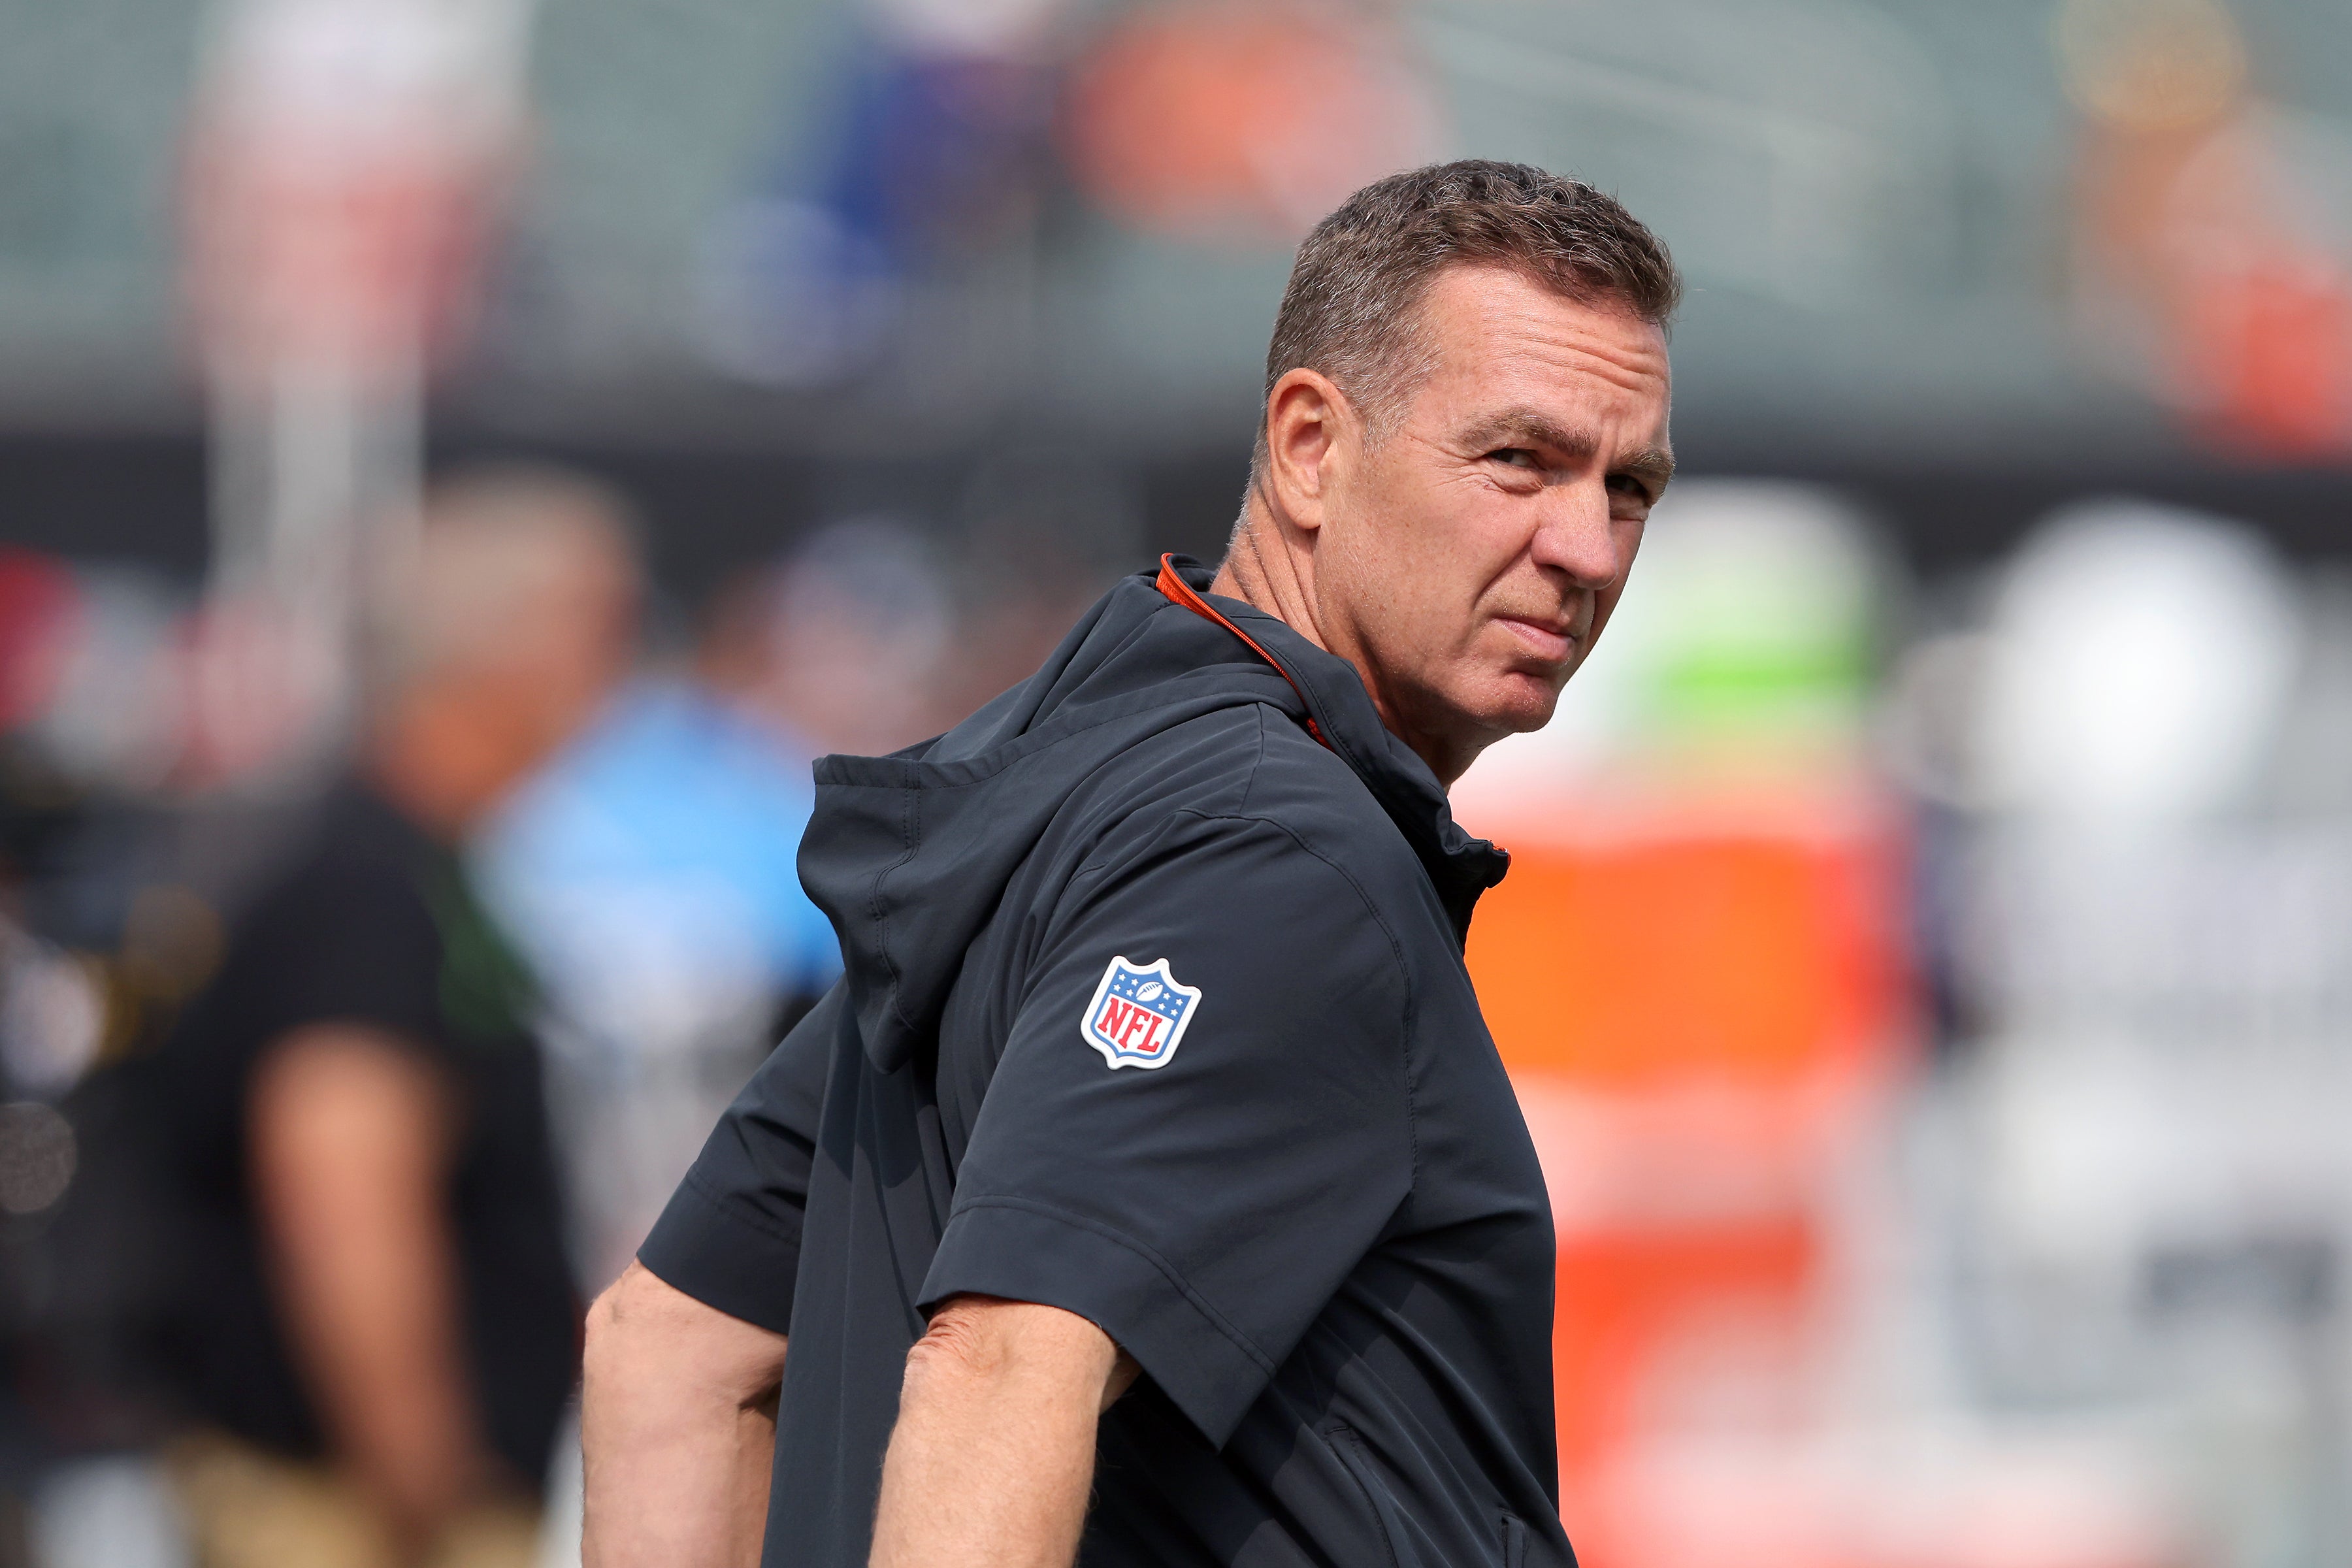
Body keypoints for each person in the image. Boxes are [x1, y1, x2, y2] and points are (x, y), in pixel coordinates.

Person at [582, 159, 1679, 1567]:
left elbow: (670, 1349)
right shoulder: (1274, 847)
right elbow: (1001, 1363)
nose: (1584, 547)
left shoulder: (1067, 784)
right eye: (1518, 460)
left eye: (1629, 485)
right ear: (1307, 447)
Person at [156, 467, 640, 1568]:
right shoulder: (366, 894)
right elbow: (345, 1194)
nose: (615, 674)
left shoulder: (414, 873)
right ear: (505, 648)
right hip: (345, 1512)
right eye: (601, 628)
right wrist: (427, 1488)